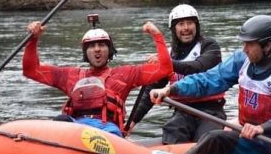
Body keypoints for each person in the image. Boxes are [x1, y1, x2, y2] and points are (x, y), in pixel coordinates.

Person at [151, 15, 271, 154]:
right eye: (244, 43)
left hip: (270, 143)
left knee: (215, 138)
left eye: (249, 44)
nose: (244, 49)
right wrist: (172, 89)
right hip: (245, 133)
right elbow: (209, 79)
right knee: (197, 134)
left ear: (268, 45)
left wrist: (263, 128)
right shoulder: (242, 60)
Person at [22, 19, 173, 137]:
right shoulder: (69, 76)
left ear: (110, 50)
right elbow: (31, 70)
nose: (97, 49)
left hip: (108, 130)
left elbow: (165, 69)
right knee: (60, 121)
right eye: (92, 46)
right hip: (75, 129)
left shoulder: (125, 74)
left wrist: (157, 35)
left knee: (106, 138)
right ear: (85, 52)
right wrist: (32, 40)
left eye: (102, 45)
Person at [128, 4, 226, 144]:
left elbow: (198, 67)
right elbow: (149, 92)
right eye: (181, 24)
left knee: (206, 141)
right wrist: (133, 121)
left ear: (196, 26)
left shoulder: (210, 47)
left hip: (211, 112)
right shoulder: (168, 54)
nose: (186, 28)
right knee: (172, 130)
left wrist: (166, 63)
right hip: (182, 112)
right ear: (174, 29)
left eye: (190, 23)